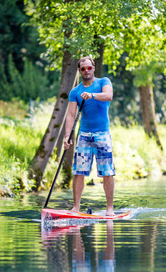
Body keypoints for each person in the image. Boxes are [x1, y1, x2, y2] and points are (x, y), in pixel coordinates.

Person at [64, 56, 115, 216]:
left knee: (107, 171)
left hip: (102, 134)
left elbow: (108, 96)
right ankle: (76, 207)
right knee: (79, 171)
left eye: (89, 67)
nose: (86, 71)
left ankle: (109, 209)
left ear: (93, 68)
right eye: (83, 68)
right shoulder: (75, 92)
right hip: (84, 135)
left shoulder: (103, 82)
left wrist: (92, 95)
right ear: (79, 71)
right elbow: (71, 115)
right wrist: (67, 136)